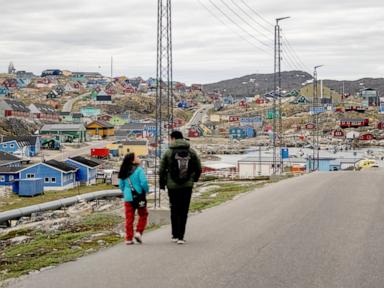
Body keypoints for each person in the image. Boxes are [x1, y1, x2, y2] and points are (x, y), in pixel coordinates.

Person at [159, 130, 202, 245]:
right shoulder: (191, 151)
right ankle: (181, 237)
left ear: (173, 138)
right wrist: (194, 179)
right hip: (187, 186)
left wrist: (162, 184)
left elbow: (161, 169)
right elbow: (198, 168)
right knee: (184, 211)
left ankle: (174, 235)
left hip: (172, 186)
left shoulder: (168, 152)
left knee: (174, 209)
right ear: (182, 138)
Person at [118, 153, 149, 245]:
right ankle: (138, 232)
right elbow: (143, 182)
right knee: (143, 214)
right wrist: (145, 191)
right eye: (137, 157)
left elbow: (121, 185)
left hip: (128, 198)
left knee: (129, 218)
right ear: (133, 160)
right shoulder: (139, 170)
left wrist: (126, 192)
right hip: (139, 197)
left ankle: (128, 238)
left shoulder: (123, 170)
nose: (138, 158)